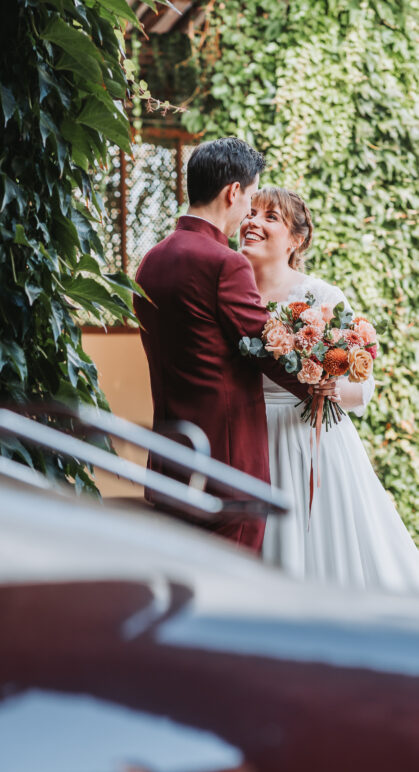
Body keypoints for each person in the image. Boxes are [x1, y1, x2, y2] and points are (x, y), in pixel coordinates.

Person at [134, 137, 313, 552]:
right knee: (227, 583)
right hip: (225, 464)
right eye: (251, 200)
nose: (248, 213)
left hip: (170, 457)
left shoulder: (151, 260)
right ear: (234, 192)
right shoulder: (225, 263)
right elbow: (268, 349)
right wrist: (320, 384)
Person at [240, 185, 419, 591]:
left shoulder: (321, 297)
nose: (253, 222)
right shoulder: (232, 292)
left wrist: (330, 389)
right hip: (248, 438)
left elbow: (364, 385)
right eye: (251, 213)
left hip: (312, 442)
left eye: (271, 217)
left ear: (296, 239)